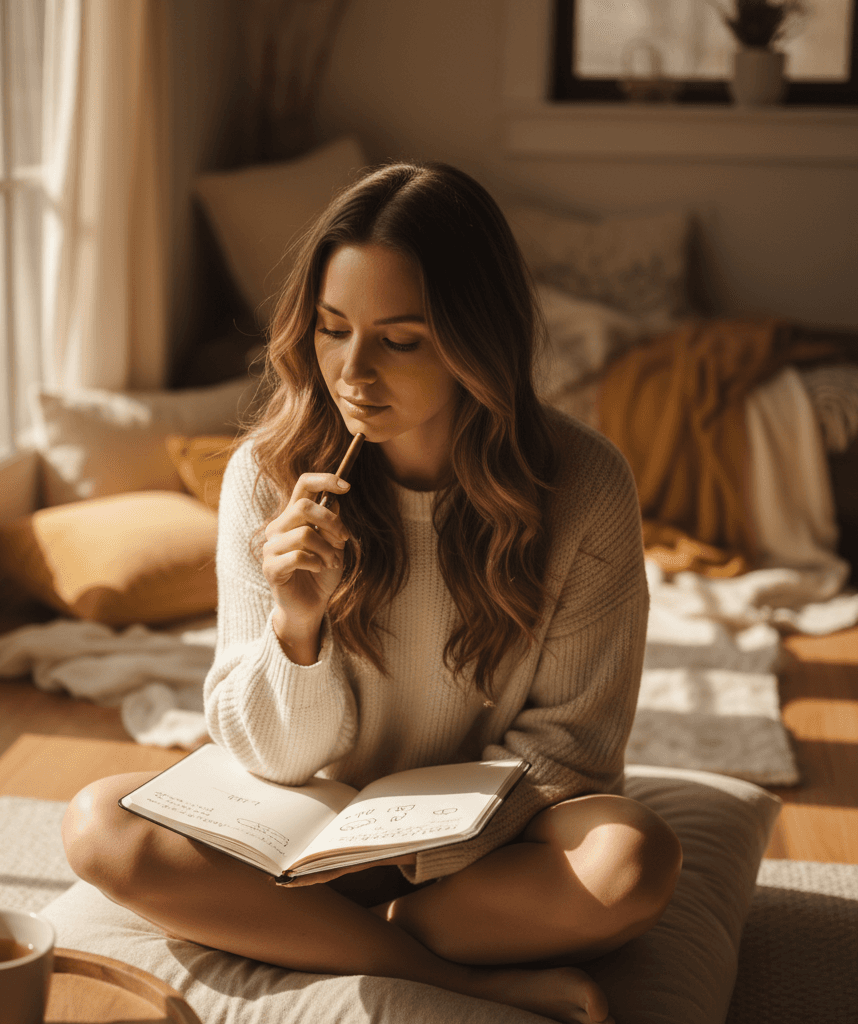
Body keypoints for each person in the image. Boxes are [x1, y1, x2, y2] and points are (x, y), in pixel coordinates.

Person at [62, 161, 682, 1024]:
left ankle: (333, 930)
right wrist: (297, 622)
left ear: (477, 341)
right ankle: (457, 977)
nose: (352, 372)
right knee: (99, 824)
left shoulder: (583, 486)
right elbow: (269, 760)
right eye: (330, 328)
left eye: (400, 340)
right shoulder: (268, 476)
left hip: (481, 839)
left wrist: (408, 853)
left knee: (631, 859)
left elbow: (574, 753)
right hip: (304, 812)